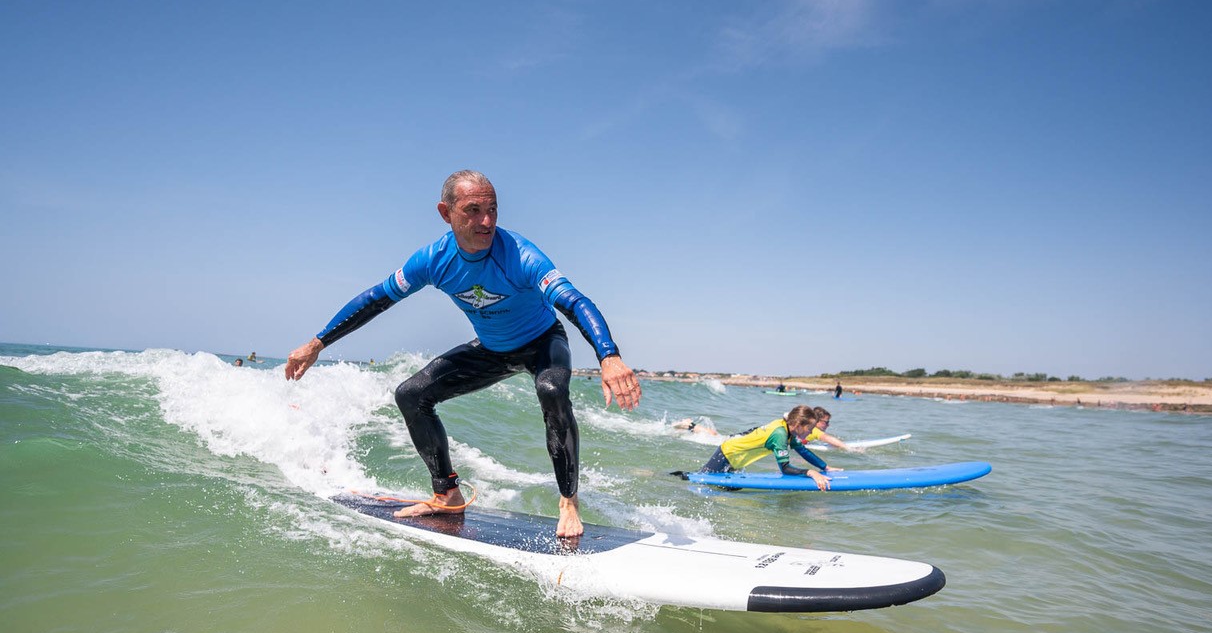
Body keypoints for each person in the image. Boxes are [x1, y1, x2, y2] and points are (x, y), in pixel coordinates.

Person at [284, 170, 642, 538]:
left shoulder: (521, 255)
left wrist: (608, 356)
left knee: (552, 391)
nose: (486, 221)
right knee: (411, 395)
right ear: (446, 213)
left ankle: (569, 501)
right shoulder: (433, 260)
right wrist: (318, 343)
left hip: (542, 343)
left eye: (492, 210)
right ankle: (447, 493)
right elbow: (377, 299)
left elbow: (575, 301)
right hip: (492, 350)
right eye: (473, 210)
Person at [693, 405, 836, 490]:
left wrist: (825, 467)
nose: (811, 432)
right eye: (809, 428)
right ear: (798, 425)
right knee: (700, 482)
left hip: (735, 458)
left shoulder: (787, 428)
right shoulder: (780, 434)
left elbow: (802, 450)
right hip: (727, 454)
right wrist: (811, 472)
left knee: (728, 489)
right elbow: (785, 468)